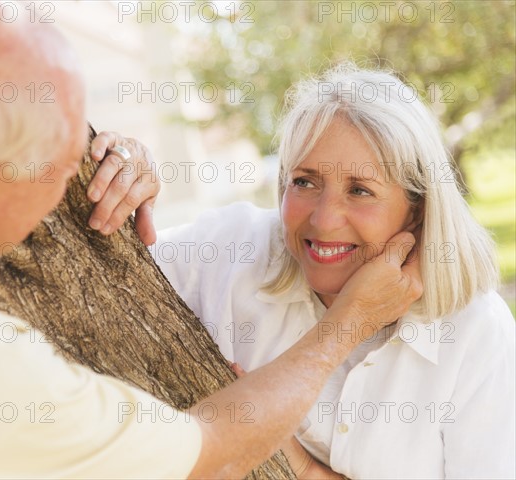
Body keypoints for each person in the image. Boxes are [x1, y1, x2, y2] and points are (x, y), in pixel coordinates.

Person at [0, 4, 422, 479]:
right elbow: (209, 448)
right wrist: (347, 324)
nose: (78, 178)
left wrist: (127, 162)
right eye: (69, 167)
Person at [93, 65, 514, 478]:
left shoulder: (475, 332)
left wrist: (303, 467)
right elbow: (105, 271)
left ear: (417, 209)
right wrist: (126, 165)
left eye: (360, 190)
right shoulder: (231, 249)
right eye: (305, 183)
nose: (325, 220)